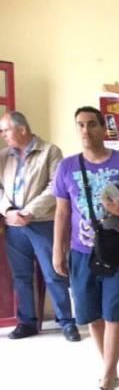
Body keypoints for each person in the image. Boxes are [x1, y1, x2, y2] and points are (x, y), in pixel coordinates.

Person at [53, 107, 119, 390]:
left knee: (115, 311)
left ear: (104, 128)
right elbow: (62, 211)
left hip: (118, 249)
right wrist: (58, 250)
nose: (85, 130)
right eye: (80, 125)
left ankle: (107, 374)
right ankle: (109, 364)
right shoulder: (67, 167)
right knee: (92, 314)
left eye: (92, 124)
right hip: (82, 251)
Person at [0, 111, 78, 341]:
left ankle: (66, 321)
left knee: (54, 272)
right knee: (21, 276)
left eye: (5, 130)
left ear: (22, 129)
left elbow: (56, 186)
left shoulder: (50, 151)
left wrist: (29, 211)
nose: (2, 135)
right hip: (14, 226)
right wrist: (9, 211)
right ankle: (27, 322)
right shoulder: (3, 156)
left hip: (43, 223)